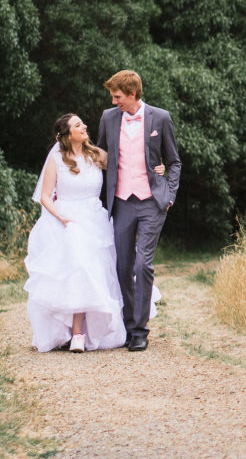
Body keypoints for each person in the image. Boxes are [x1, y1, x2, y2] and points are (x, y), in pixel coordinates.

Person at [23, 114, 126, 353]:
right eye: (78, 125)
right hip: (68, 220)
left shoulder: (95, 155)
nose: (84, 126)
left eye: (82, 123)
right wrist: (61, 218)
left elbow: (126, 165)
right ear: (68, 135)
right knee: (78, 269)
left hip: (95, 221)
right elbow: (45, 196)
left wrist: (158, 165)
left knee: (96, 273)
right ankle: (75, 333)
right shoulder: (57, 160)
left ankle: (91, 330)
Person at [96, 69, 181, 352]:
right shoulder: (108, 118)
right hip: (121, 202)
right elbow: (101, 157)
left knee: (143, 264)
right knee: (122, 266)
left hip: (151, 202)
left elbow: (174, 161)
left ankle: (140, 331)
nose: (113, 101)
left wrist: (169, 193)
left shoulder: (161, 118)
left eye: (117, 96)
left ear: (132, 94)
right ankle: (129, 326)